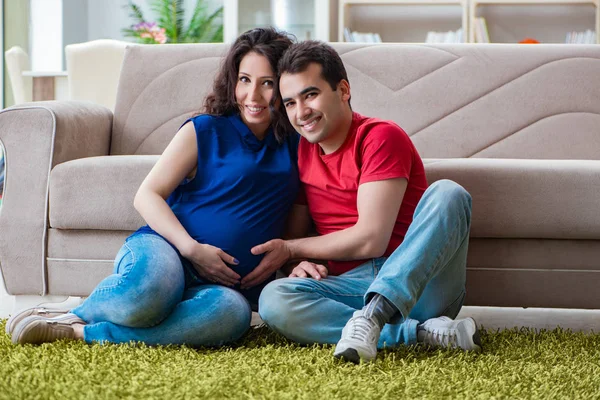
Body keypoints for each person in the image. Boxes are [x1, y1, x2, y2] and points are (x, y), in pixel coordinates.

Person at [8, 28, 300, 347]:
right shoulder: (205, 129)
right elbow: (147, 195)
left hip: (228, 287)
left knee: (232, 317)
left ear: (286, 85)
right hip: (167, 250)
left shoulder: (299, 146)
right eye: (245, 80)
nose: (253, 96)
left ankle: (81, 331)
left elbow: (294, 230)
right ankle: (77, 311)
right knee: (148, 293)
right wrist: (192, 249)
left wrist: (290, 259)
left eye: (267, 83)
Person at [241, 41, 482, 363]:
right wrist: (292, 263)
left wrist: (292, 249)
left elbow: (371, 239)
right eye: (290, 103)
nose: (301, 113)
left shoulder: (380, 137)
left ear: (342, 90)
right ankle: (420, 333)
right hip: (349, 287)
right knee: (274, 298)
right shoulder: (301, 152)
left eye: (310, 95)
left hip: (418, 283)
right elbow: (294, 237)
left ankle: (373, 317)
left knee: (449, 193)